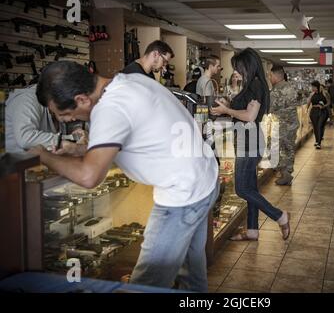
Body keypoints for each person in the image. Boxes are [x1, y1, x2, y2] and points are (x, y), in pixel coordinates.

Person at [30, 61, 219, 292]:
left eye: (65, 114)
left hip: (183, 195)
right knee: (191, 272)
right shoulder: (129, 81)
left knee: (145, 284)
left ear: (81, 99)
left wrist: (42, 156)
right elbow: (128, 136)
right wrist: (78, 150)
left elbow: (89, 177)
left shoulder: (110, 108)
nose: (66, 121)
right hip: (204, 179)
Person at [211, 48, 290, 241]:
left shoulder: (255, 85)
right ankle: (252, 230)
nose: (236, 71)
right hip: (248, 140)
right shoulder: (253, 84)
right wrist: (228, 106)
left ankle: (279, 215)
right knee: (251, 188)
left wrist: (227, 110)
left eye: (239, 67)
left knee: (242, 189)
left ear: (248, 66)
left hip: (250, 143)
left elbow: (249, 116)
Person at [5, 84, 86, 155]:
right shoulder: (27, 100)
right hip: (12, 167)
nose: (74, 118)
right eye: (71, 112)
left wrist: (75, 132)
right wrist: (64, 141)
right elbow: (25, 138)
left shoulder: (57, 108)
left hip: (38, 166)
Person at [269, 65, 299, 186]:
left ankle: (283, 172)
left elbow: (270, 108)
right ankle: (287, 172)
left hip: (282, 125)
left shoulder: (276, 90)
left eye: (270, 75)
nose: (270, 78)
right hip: (293, 123)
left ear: (276, 76)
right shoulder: (291, 87)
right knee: (289, 149)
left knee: (271, 148)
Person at [307, 80, 330, 150]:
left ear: (317, 87)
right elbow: (308, 103)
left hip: (322, 112)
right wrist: (307, 108)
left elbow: (329, 102)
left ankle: (319, 143)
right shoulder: (312, 94)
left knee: (319, 126)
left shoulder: (324, 93)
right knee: (315, 127)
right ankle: (317, 140)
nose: (312, 88)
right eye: (312, 87)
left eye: (313, 87)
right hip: (313, 112)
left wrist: (324, 106)